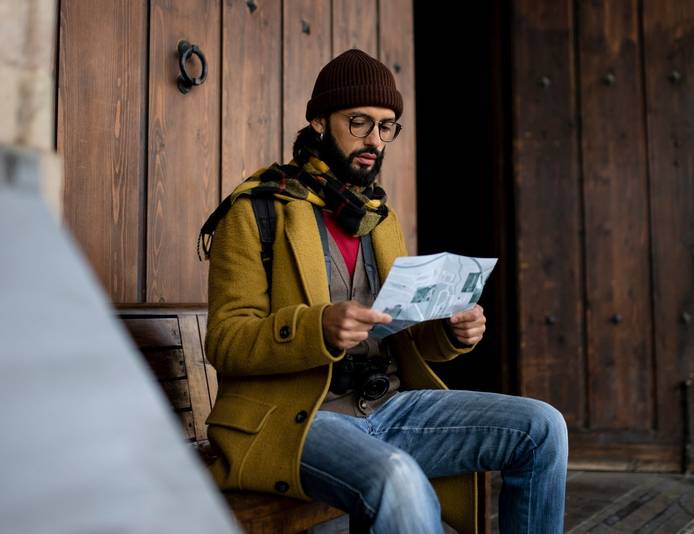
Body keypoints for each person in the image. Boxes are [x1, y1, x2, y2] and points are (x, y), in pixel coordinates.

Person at [200, 48, 567, 534]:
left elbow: (400, 333)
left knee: (543, 428)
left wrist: (451, 332)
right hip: (299, 418)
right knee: (399, 476)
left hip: (390, 405)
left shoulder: (378, 216)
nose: (375, 139)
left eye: (387, 125)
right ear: (317, 122)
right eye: (359, 122)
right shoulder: (257, 210)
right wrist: (319, 328)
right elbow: (225, 341)